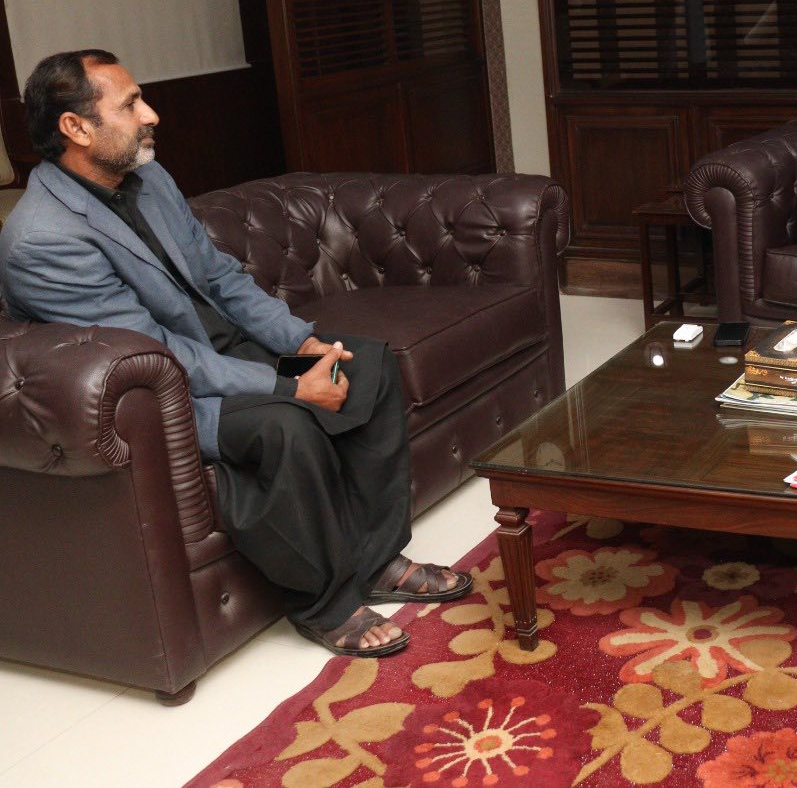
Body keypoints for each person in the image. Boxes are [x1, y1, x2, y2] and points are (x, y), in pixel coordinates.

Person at [0, 50, 471, 658]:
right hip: (171, 397)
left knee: (367, 365)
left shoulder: (149, 180)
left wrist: (300, 343)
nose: (151, 114)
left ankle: (377, 560)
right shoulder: (43, 239)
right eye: (130, 104)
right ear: (76, 128)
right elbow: (154, 352)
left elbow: (220, 277)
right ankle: (325, 605)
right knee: (285, 425)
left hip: (227, 354)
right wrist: (291, 386)